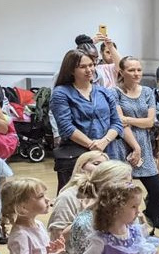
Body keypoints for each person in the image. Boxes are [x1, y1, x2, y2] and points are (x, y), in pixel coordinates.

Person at [50, 49, 124, 191]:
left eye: (91, 65)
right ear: (71, 70)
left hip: (107, 151)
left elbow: (117, 122)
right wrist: (92, 145)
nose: (89, 70)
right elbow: (66, 127)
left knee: (109, 198)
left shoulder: (104, 92)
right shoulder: (61, 93)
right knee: (79, 199)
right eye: (83, 67)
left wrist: (104, 141)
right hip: (78, 155)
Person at [107, 56, 159, 228]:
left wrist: (128, 119)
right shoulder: (114, 92)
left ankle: (148, 226)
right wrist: (135, 147)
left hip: (144, 146)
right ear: (122, 72)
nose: (136, 73)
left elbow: (150, 122)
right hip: (123, 146)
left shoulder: (147, 92)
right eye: (131, 70)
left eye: (139, 69)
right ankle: (122, 228)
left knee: (157, 191)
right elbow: (119, 122)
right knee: (122, 193)